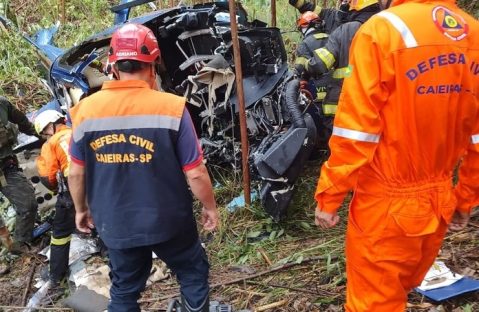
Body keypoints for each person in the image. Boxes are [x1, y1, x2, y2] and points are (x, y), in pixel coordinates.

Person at [313, 0, 479, 310]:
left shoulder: (383, 29)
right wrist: (466, 197)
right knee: (400, 289)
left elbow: (356, 129)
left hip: (386, 206)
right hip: (438, 203)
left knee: (374, 302)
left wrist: (330, 193)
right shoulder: (473, 34)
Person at [68, 23, 219, 312]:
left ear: (113, 65)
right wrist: (209, 207)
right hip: (170, 220)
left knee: (124, 289)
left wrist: (81, 209)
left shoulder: (85, 111)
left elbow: (76, 172)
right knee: (191, 271)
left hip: (116, 222)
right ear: (154, 64)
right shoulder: (172, 107)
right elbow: (196, 172)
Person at [303, 0, 381, 148]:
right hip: (377, 100)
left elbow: (320, 64)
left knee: (342, 145)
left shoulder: (346, 30)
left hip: (344, 99)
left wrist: (305, 66)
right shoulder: (388, 28)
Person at [34, 109, 75, 288]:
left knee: (60, 233)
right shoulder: (78, 132)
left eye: (44, 133)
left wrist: (55, 188)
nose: (45, 136)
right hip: (99, 184)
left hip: (73, 190)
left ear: (49, 127)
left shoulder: (50, 143)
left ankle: (57, 276)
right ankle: (109, 254)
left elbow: (49, 177)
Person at [0, 96, 38, 254]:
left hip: (5, 167)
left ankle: (20, 243)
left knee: (28, 204)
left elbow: (23, 122)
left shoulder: (2, 104)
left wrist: (45, 133)